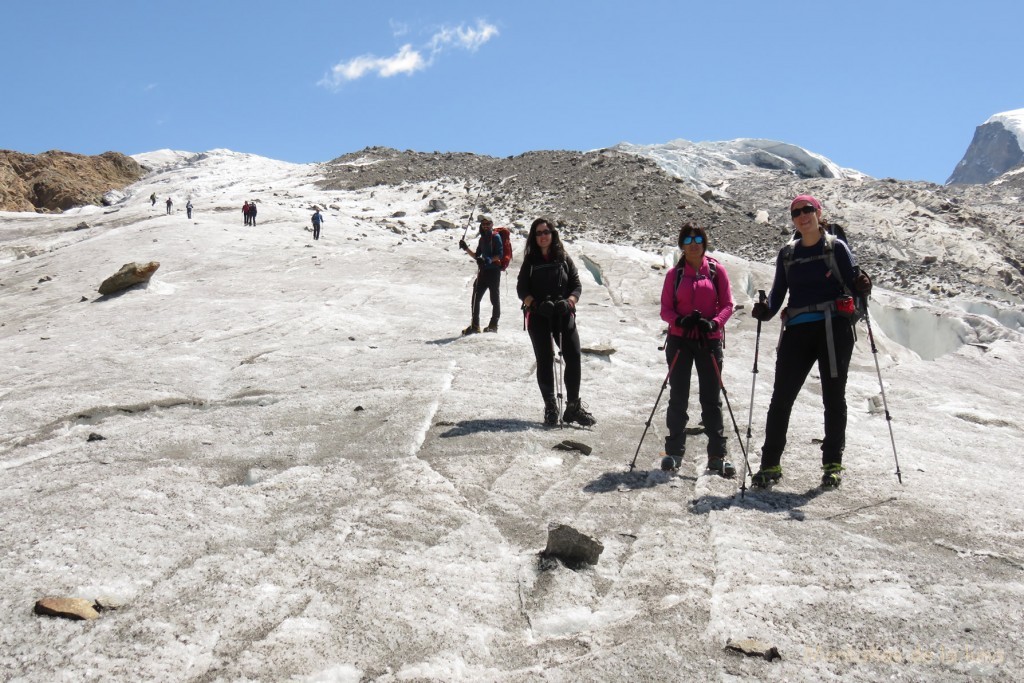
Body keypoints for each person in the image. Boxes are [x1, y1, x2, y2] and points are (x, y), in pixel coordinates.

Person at [750, 194, 872, 489]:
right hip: (798, 331)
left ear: (819, 213)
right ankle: (770, 464)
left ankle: (832, 463)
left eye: (807, 210)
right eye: (796, 212)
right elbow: (778, 296)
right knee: (781, 399)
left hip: (834, 331)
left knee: (833, 397)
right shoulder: (788, 254)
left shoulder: (837, 248)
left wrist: (863, 287)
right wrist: (764, 311)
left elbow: (857, 284)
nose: (802, 216)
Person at [659, 223, 735, 476]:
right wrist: (680, 321)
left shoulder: (716, 271)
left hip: (708, 340)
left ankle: (716, 454)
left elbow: (727, 304)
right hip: (680, 340)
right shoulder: (674, 275)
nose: (694, 243)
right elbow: (665, 309)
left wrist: (713, 323)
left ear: (704, 242)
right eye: (689, 239)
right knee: (678, 396)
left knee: (711, 398)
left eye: (698, 238)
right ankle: (674, 452)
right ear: (681, 244)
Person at [517, 218, 596, 427]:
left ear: (553, 234)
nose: (543, 236)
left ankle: (572, 407)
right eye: (539, 233)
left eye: (546, 231)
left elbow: (576, 285)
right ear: (534, 237)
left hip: (563, 314)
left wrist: (569, 302)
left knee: (574, 356)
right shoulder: (530, 261)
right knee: (545, 359)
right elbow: (522, 289)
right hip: (538, 316)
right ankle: (550, 407)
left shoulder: (563, 258)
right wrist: (534, 304)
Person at [458, 216, 503, 334]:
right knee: (475, 298)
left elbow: (500, 255)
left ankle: (493, 325)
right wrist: (466, 248)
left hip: (493, 272)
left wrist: (488, 260)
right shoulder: (482, 239)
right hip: (483, 272)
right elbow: (477, 256)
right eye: (483, 224)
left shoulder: (496, 237)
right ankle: (475, 325)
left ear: (492, 224)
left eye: (488, 223)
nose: (485, 225)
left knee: (494, 299)